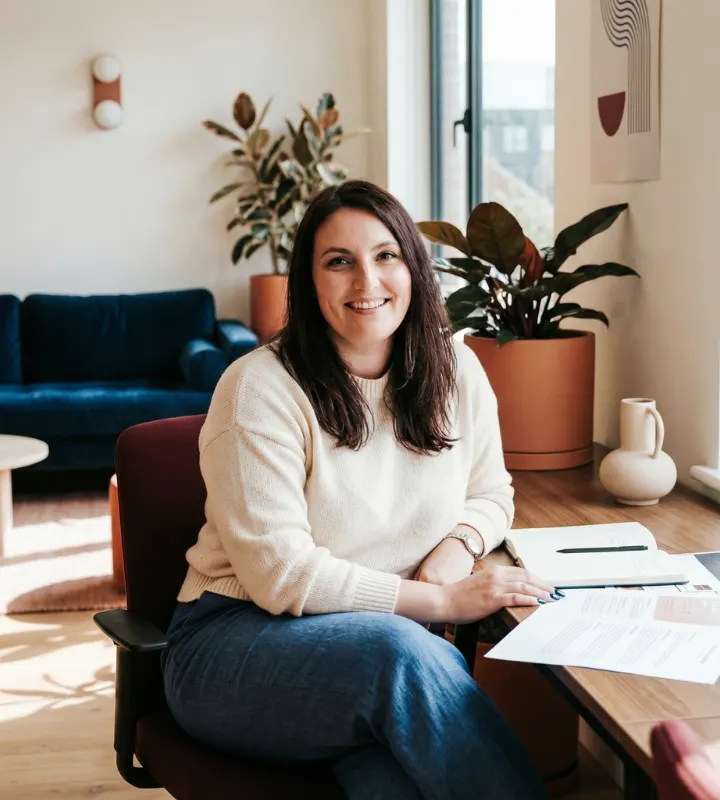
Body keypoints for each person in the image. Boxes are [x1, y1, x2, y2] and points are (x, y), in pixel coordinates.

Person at [161, 180, 557, 799]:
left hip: (373, 659)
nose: (366, 282)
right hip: (234, 645)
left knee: (392, 780)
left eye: (385, 255)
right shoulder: (260, 389)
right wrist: (442, 605)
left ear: (413, 267)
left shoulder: (455, 367)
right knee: (400, 656)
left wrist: (459, 545)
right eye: (338, 261)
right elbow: (281, 575)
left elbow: (491, 492)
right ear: (309, 282)